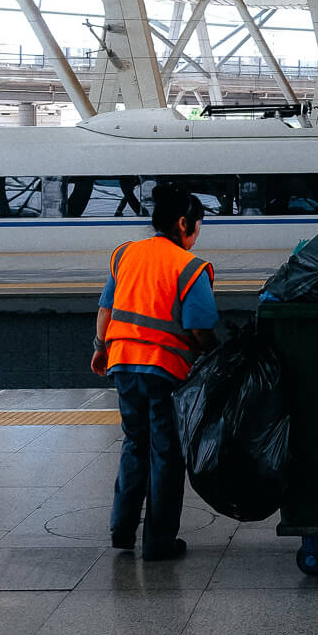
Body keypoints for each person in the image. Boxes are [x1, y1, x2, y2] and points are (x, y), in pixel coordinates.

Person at [90, 180, 218, 560]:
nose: (197, 234)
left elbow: (105, 311)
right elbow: (199, 329)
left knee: (134, 444)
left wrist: (100, 349)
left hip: (122, 365)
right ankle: (159, 541)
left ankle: (122, 531)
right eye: (197, 226)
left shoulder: (125, 254)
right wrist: (216, 358)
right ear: (183, 224)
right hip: (163, 371)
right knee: (166, 452)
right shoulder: (191, 268)